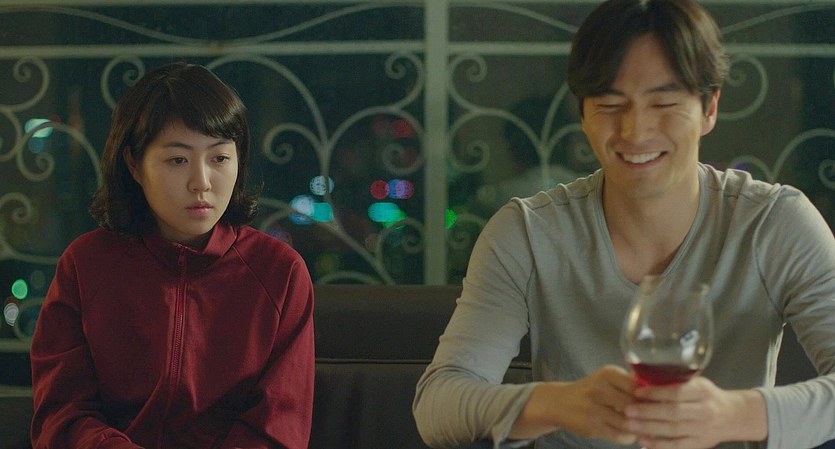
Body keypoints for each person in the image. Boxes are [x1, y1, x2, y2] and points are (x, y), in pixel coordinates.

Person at [413, 0, 835, 448]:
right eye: (611, 104)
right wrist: (558, 404)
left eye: (664, 102)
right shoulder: (528, 233)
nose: (635, 131)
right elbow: (438, 403)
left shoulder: (774, 224)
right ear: (583, 114)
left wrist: (732, 416)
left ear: (709, 107)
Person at [29, 62, 315, 449]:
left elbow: (278, 427)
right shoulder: (86, 264)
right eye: (178, 160)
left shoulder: (280, 272)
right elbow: (62, 412)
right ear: (134, 164)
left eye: (219, 158)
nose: (201, 183)